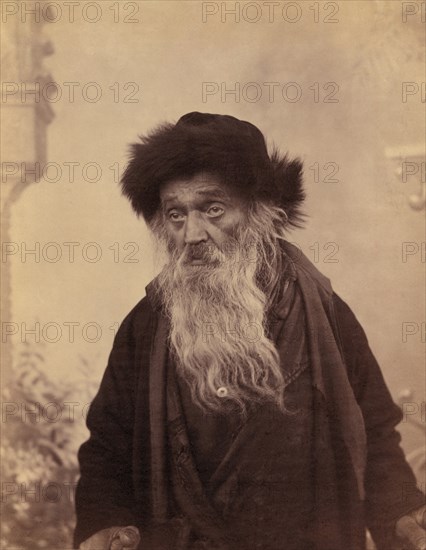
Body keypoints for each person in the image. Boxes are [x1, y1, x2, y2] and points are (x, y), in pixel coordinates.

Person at [74, 113, 425, 550]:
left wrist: (399, 512)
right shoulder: (144, 328)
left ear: (261, 212)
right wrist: (105, 522)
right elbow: (107, 450)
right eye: (176, 215)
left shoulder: (327, 316)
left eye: (213, 209)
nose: (192, 234)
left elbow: (375, 435)